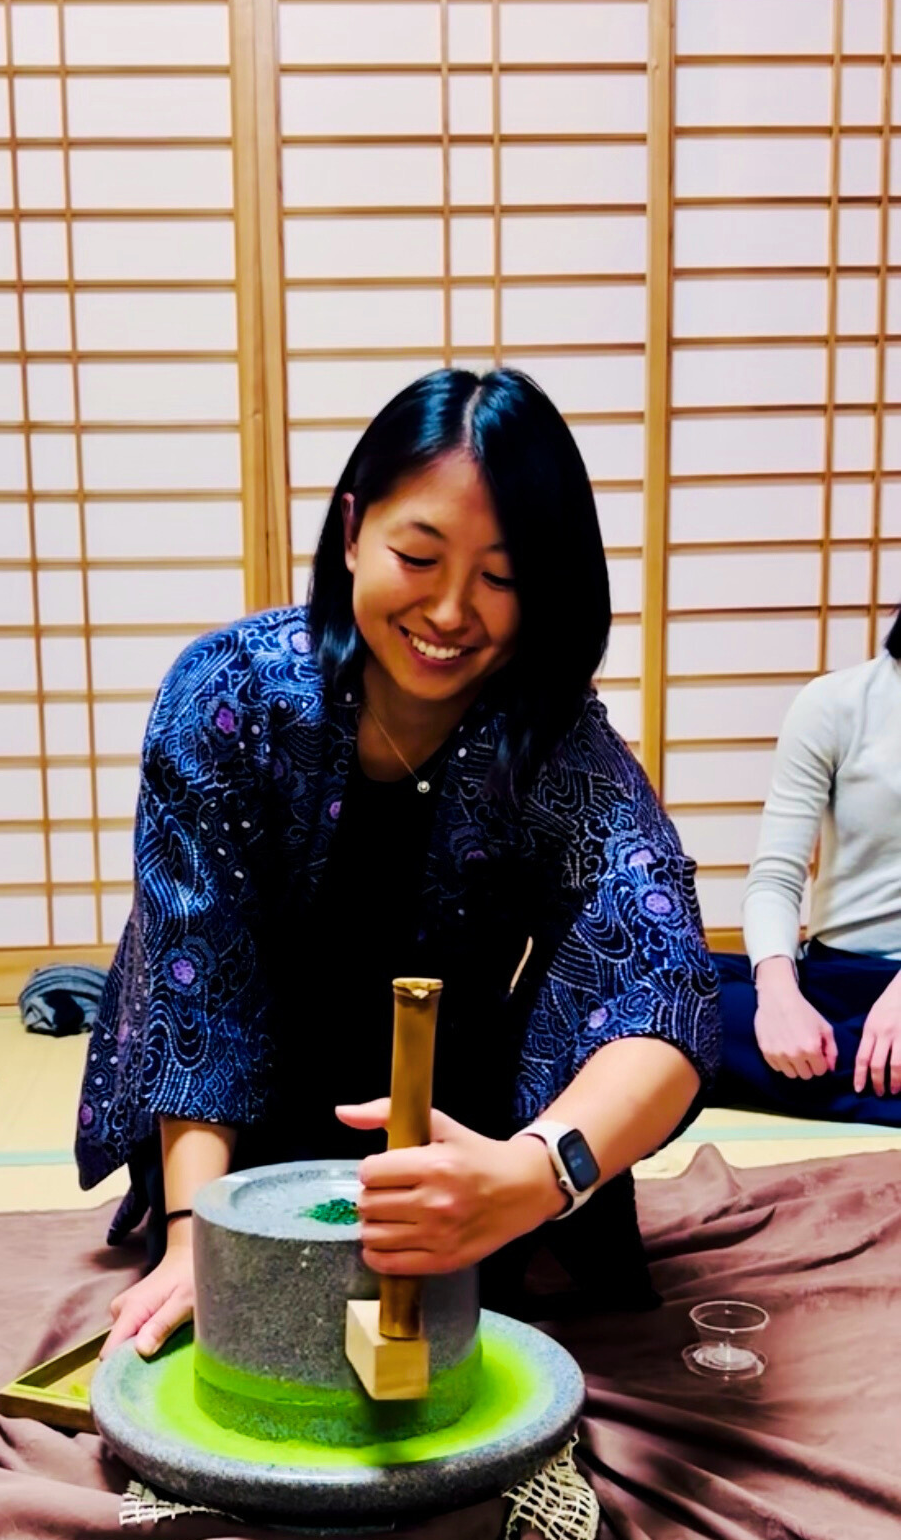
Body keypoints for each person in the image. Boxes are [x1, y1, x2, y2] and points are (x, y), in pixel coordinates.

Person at [76, 368, 720, 1356]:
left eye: (500, 577)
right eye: (416, 555)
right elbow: (193, 980)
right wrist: (192, 1236)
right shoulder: (230, 695)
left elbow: (659, 970)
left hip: (449, 1118)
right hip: (235, 1105)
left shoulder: (551, 741)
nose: (452, 610)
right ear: (349, 532)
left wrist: (539, 1168)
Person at [713, 609, 901, 1124]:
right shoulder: (838, 703)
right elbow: (775, 874)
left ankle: (823, 1072)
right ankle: (867, 1073)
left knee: (677, 1045)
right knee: (669, 991)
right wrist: (778, 995)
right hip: (837, 975)